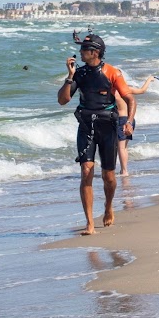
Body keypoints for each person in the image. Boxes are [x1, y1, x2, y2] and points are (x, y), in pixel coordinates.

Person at [57, 34, 136, 234]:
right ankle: (90, 223)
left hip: (108, 126)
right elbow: (63, 100)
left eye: (84, 50)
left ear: (95, 52)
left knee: (108, 176)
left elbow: (130, 99)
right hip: (86, 126)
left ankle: (109, 207)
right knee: (86, 171)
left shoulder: (112, 73)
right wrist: (69, 75)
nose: (81, 53)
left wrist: (128, 122)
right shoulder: (79, 74)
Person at [115, 75, 155, 177]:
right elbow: (142, 90)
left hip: (122, 120)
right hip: (130, 120)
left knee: (121, 147)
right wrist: (149, 80)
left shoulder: (113, 91)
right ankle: (123, 170)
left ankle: (124, 171)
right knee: (123, 147)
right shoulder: (126, 88)